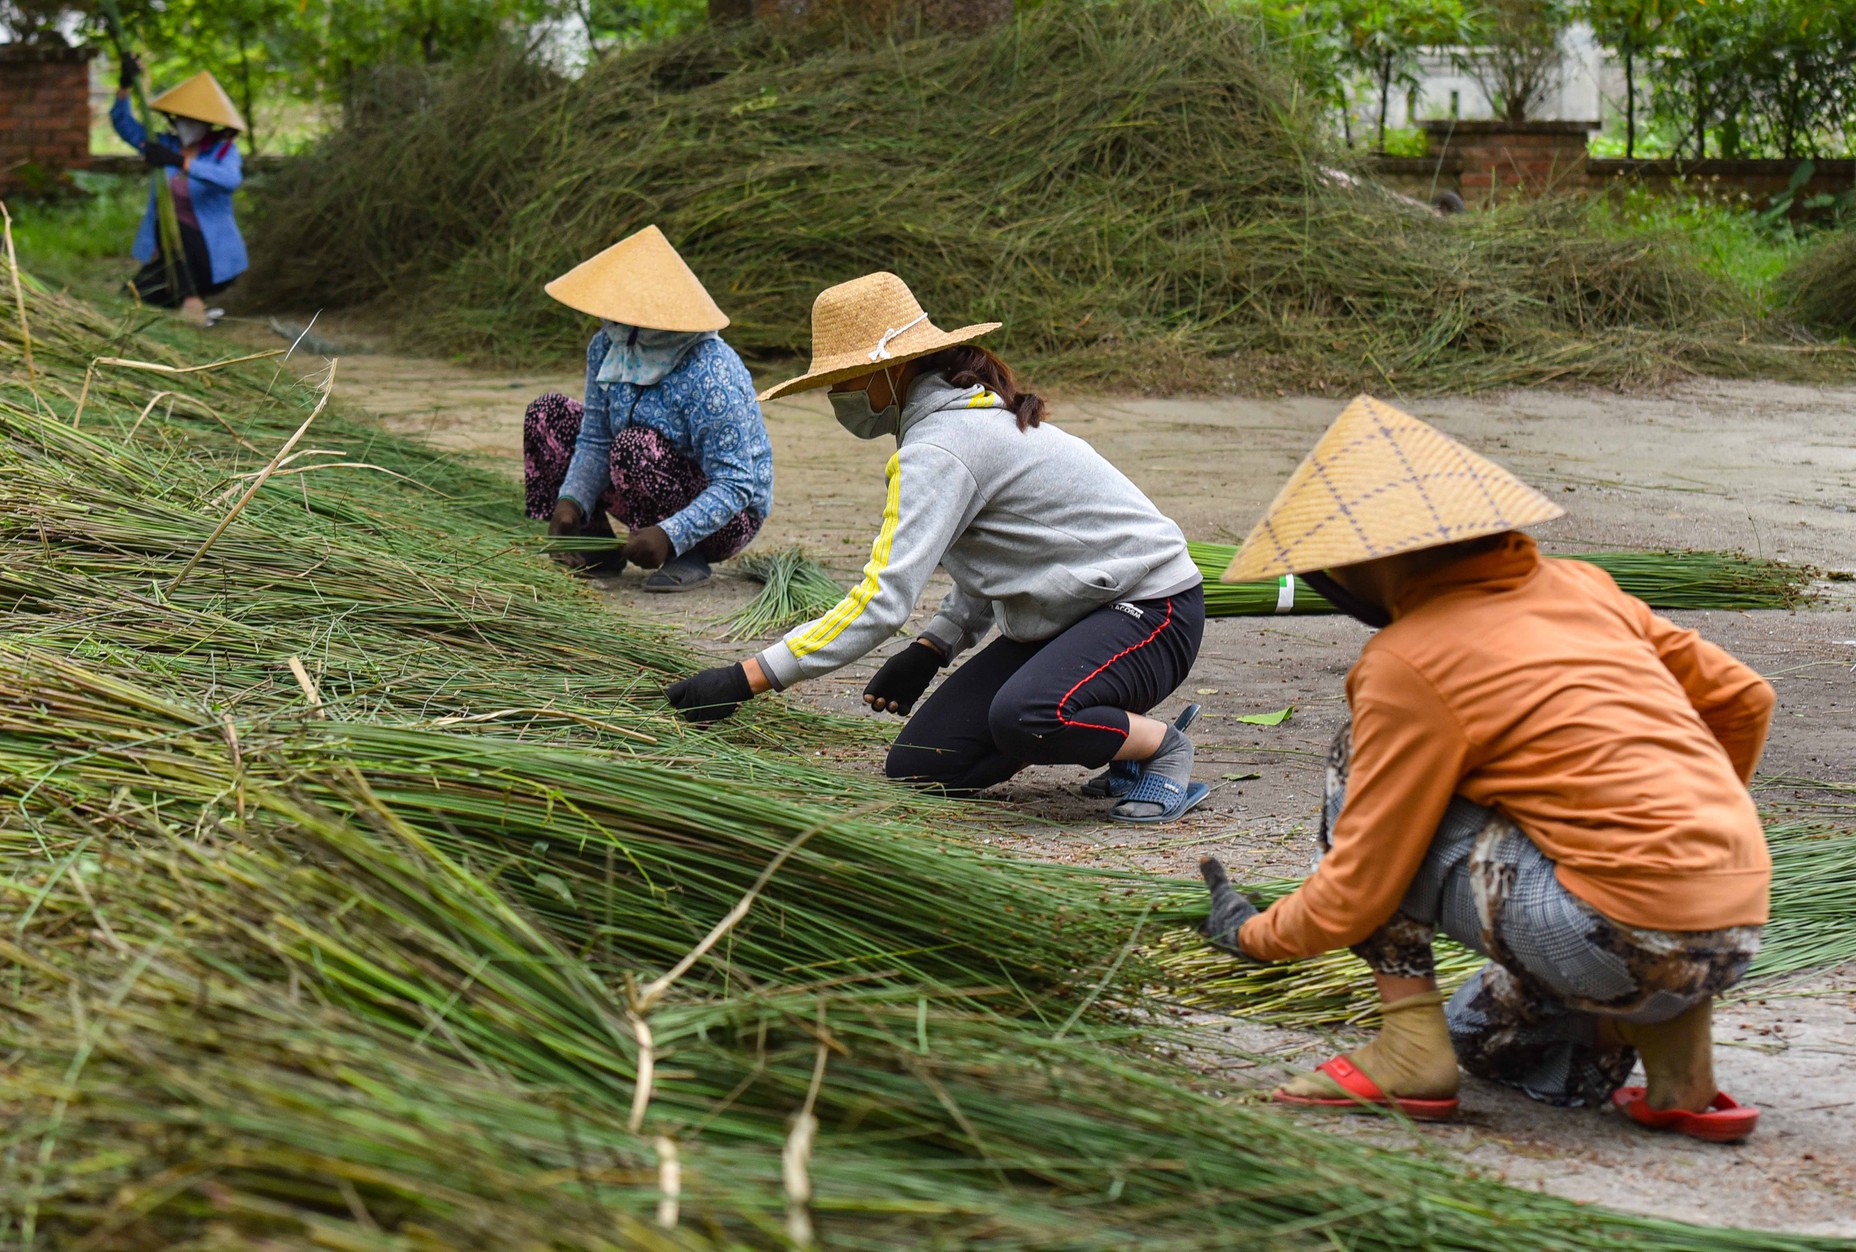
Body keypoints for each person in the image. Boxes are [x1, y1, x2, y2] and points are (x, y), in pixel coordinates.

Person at [1197, 396, 1772, 1142]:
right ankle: (1677, 1068)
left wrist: (1255, 936)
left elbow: (1360, 886)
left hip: (1608, 937)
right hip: (1735, 928)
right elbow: (1745, 699)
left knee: (1364, 764)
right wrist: (1688, 837)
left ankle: (1406, 1047)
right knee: (1487, 1043)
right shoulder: (1584, 586)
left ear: (1375, 559)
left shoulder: (1409, 660)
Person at [664, 273, 1210, 823]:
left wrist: (748, 677)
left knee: (1028, 718)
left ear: (891, 370)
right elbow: (1003, 556)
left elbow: (880, 599)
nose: (837, 396)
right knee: (923, 766)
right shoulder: (952, 424)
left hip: (1152, 611)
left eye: (846, 378)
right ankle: (1112, 730)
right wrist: (936, 645)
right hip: (1072, 615)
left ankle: (1161, 747)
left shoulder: (942, 448)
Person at [529, 226, 773, 592]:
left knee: (633, 445)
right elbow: (596, 437)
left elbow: (737, 484)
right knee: (546, 413)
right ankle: (594, 547)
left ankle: (684, 556)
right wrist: (571, 501)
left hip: (725, 520)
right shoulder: (607, 347)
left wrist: (670, 533)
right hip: (636, 484)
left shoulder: (709, 369)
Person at [110, 61, 247, 327]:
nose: (186, 124)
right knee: (131, 297)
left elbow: (230, 180)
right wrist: (124, 87)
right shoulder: (164, 144)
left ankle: (193, 298)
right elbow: (124, 125)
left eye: (194, 120)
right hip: (174, 258)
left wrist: (181, 162)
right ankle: (191, 304)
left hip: (211, 260)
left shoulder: (223, 152)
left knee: (171, 222)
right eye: (182, 118)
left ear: (209, 123)